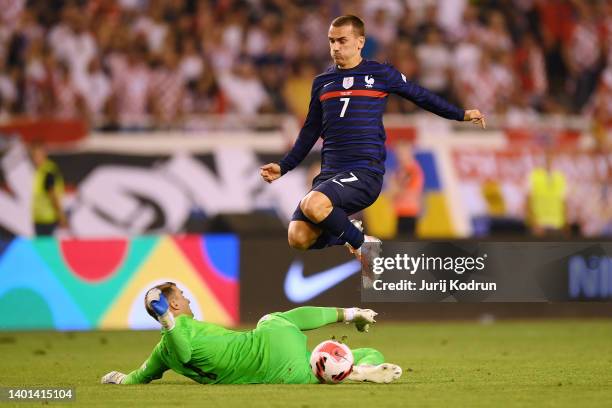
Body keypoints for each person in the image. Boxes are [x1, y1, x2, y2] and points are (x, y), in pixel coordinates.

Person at [260, 15, 485, 282]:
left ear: (360, 42)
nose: (335, 47)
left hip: (364, 172)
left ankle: (363, 244)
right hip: (330, 174)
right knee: (297, 237)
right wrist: (284, 166)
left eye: (342, 41)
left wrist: (460, 114)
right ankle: (349, 231)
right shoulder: (322, 82)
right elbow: (310, 131)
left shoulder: (379, 74)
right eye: (331, 41)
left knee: (313, 204)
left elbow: (421, 95)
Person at [101, 282, 402, 385]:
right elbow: (184, 350)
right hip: (271, 344)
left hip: (283, 371)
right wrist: (169, 321)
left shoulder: (163, 353)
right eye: (182, 295)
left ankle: (351, 370)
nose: (188, 299)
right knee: (275, 318)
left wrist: (118, 378)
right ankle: (350, 319)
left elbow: (139, 376)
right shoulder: (179, 331)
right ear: (174, 303)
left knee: (314, 359)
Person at [30, 142, 67, 235]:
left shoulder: (48, 171)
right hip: (39, 218)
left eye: (38, 155)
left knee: (46, 248)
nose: (35, 158)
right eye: (33, 155)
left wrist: (60, 216)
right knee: (42, 247)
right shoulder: (39, 170)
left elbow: (53, 195)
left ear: (44, 154)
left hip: (48, 219)